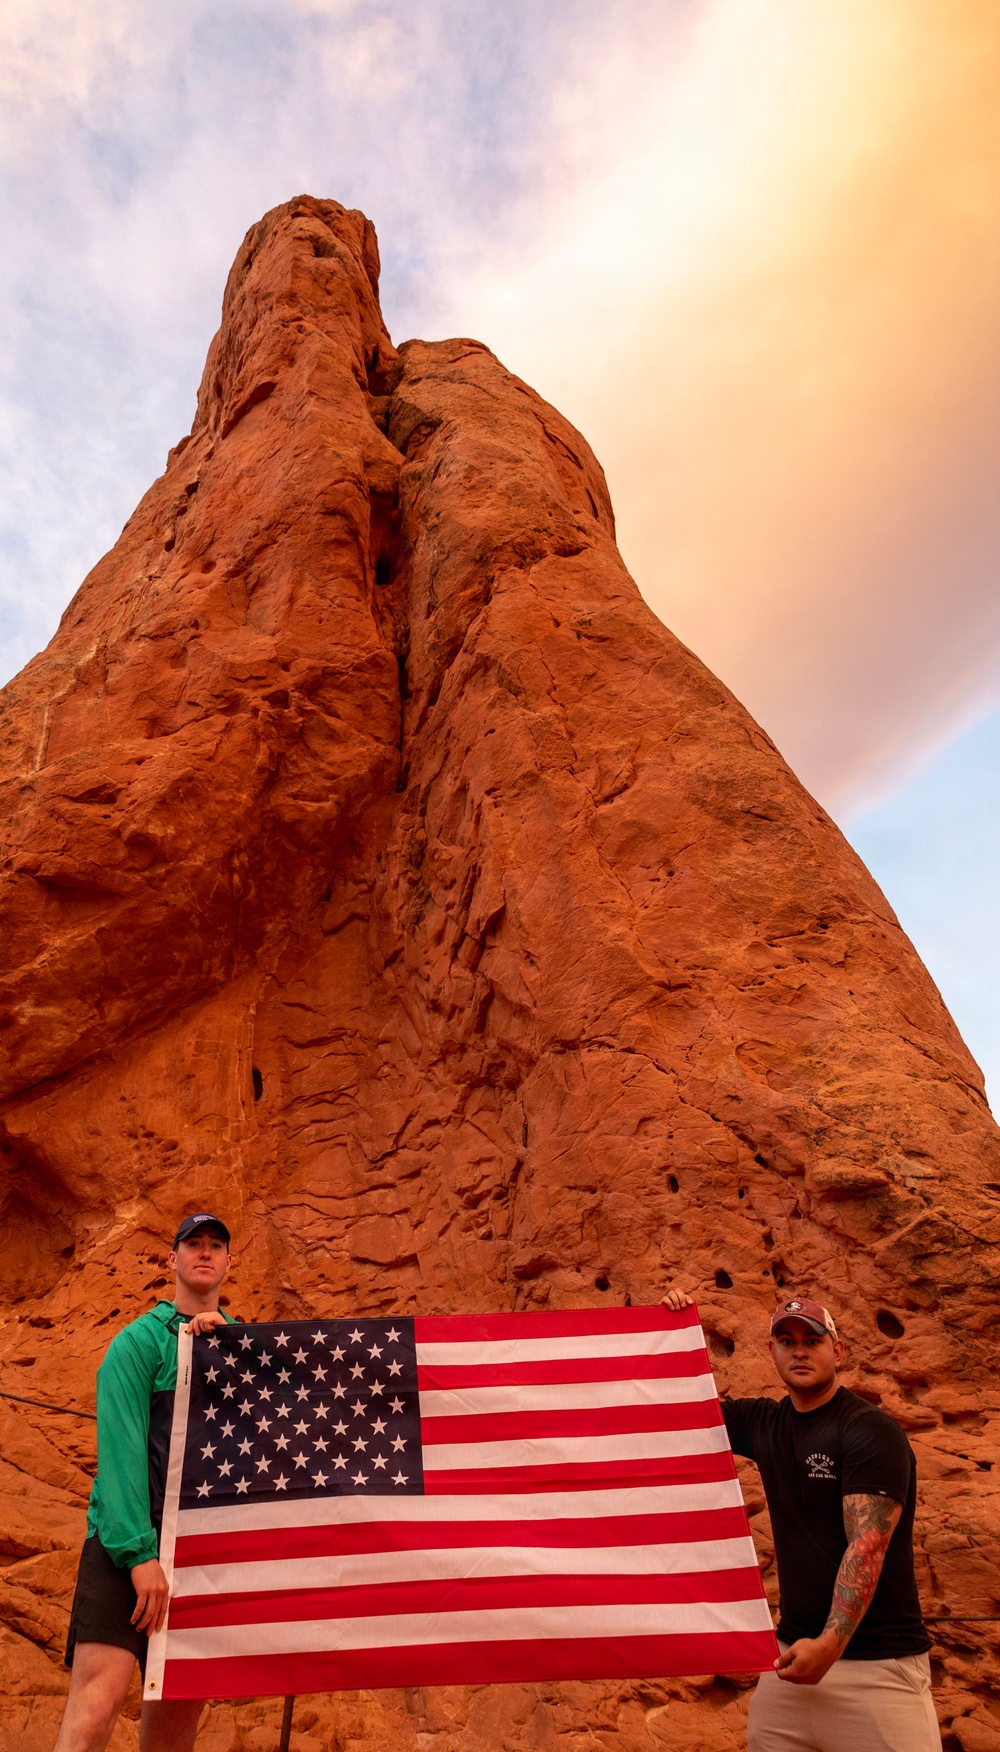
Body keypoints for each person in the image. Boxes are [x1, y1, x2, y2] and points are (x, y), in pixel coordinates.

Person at [664, 1286, 940, 1752]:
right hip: (790, 1662)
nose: (800, 1351)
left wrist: (830, 1645)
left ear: (838, 1351)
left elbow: (866, 1547)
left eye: (812, 1340)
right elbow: (677, 1415)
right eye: (787, 1341)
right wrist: (670, 1331)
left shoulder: (868, 1429)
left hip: (877, 1670)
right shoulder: (762, 1421)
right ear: (772, 1350)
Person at [54, 1213, 238, 1752]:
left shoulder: (242, 1348)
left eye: (216, 1245)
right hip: (123, 1549)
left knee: (173, 1735)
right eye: (193, 1244)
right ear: (172, 1259)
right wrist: (140, 1557)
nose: (204, 1252)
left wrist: (227, 1349)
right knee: (95, 1710)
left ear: (229, 1262)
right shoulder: (135, 1344)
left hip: (199, 1556)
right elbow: (120, 1458)